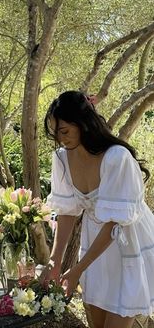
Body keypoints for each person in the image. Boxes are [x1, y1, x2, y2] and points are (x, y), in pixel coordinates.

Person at [41, 90, 154, 328]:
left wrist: (78, 270)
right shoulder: (61, 158)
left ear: (83, 123)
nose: (61, 139)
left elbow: (114, 224)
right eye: (56, 134)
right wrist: (55, 261)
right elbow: (67, 211)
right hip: (94, 247)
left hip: (126, 243)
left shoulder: (117, 158)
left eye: (65, 131)